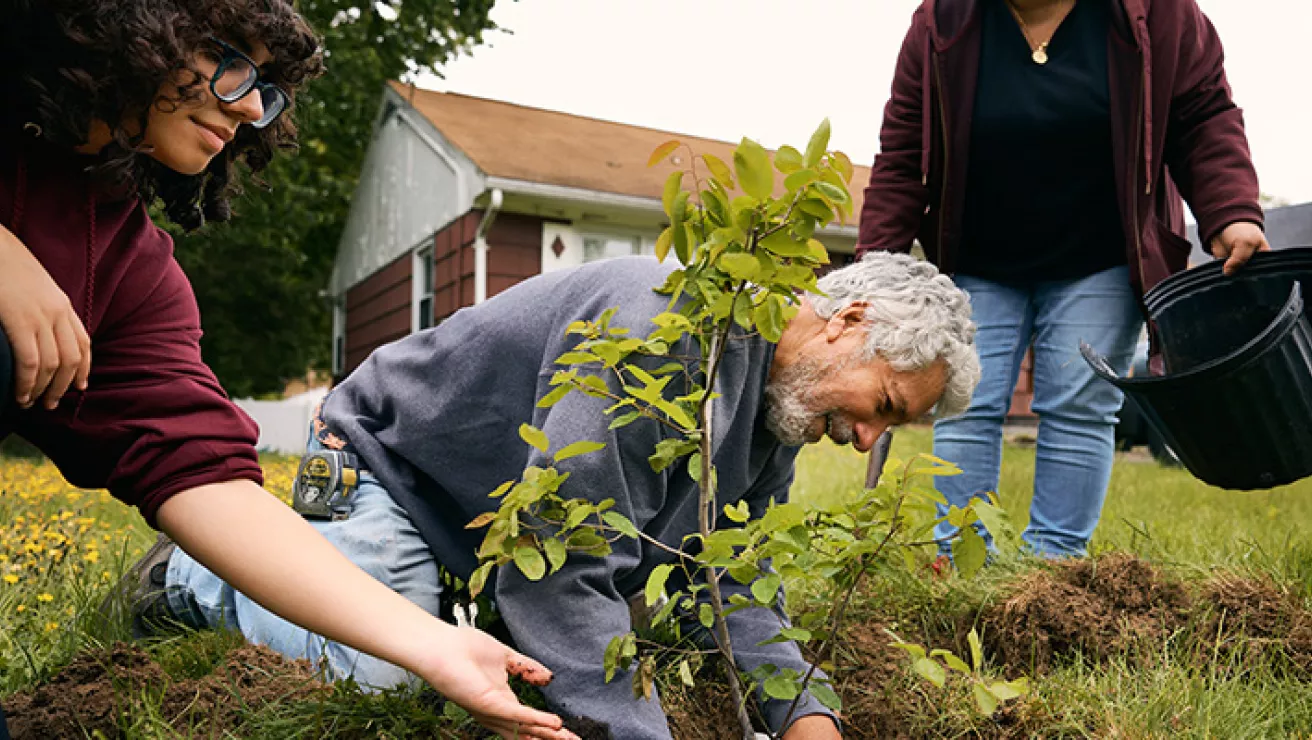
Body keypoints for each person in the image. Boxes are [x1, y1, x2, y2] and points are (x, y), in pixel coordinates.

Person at [0, 3, 573, 738]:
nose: (247, 108)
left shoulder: (128, 273)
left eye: (265, 89)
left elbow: (201, 476)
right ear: (137, 25)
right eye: (229, 60)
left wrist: (435, 646)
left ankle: (178, 579)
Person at [148, 252, 981, 739]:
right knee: (384, 680)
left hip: (485, 539)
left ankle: (436, 611)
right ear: (848, 321)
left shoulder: (773, 412)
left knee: (472, 667)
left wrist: (804, 716)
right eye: (884, 408)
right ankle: (199, 571)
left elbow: (721, 581)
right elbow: (562, 563)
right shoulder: (659, 335)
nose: (868, 439)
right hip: (393, 474)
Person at [856, 0, 1270, 558]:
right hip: (978, 258)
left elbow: (1203, 113)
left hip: (1102, 254)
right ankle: (960, 563)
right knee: (964, 401)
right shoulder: (942, 20)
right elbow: (905, 152)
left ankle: (1053, 569)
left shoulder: (1156, 12)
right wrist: (876, 267)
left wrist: (1231, 208)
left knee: (1079, 402)